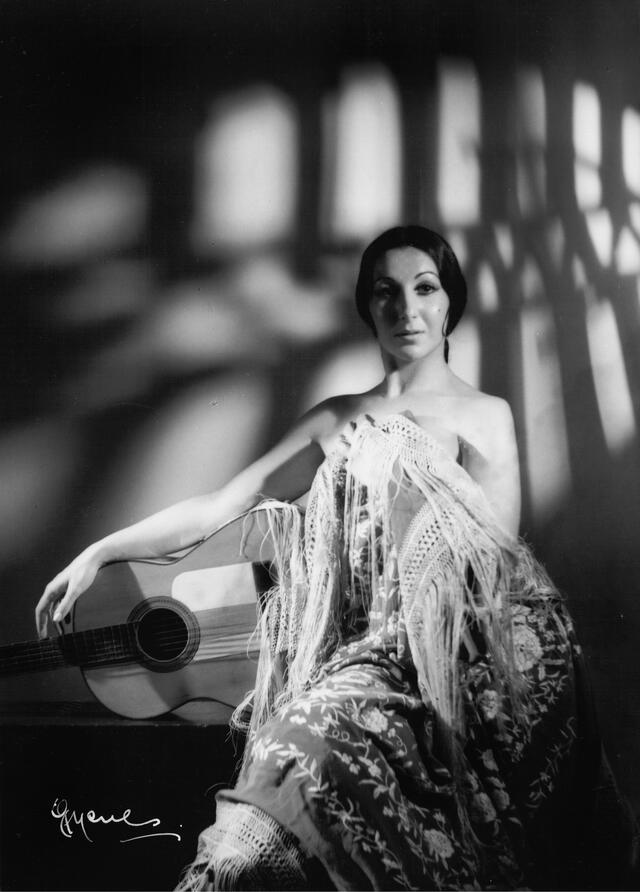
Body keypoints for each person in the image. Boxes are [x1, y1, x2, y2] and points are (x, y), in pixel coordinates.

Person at [37, 226, 636, 891]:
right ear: (367, 308)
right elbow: (220, 507)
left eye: (424, 288)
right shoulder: (337, 420)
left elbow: (492, 572)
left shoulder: (483, 416)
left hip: (439, 673)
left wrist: (402, 471)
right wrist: (101, 550)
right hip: (352, 664)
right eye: (386, 292)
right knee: (271, 794)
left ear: (449, 305)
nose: (405, 309)